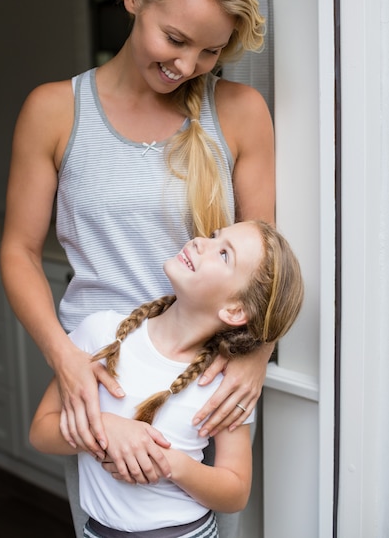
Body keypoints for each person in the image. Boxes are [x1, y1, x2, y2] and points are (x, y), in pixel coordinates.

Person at [0, 0, 276, 538]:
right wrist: (65, 357)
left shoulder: (238, 113)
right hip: (100, 387)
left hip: (204, 390)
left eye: (209, 52)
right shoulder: (54, 110)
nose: (186, 67)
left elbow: (266, 266)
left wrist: (255, 358)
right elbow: (18, 252)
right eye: (174, 39)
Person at [30, 221, 304, 538]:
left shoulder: (225, 383)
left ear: (234, 310)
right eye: (215, 236)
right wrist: (104, 427)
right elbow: (41, 431)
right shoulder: (99, 334)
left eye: (224, 254)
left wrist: (170, 463)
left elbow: (236, 491)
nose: (202, 242)